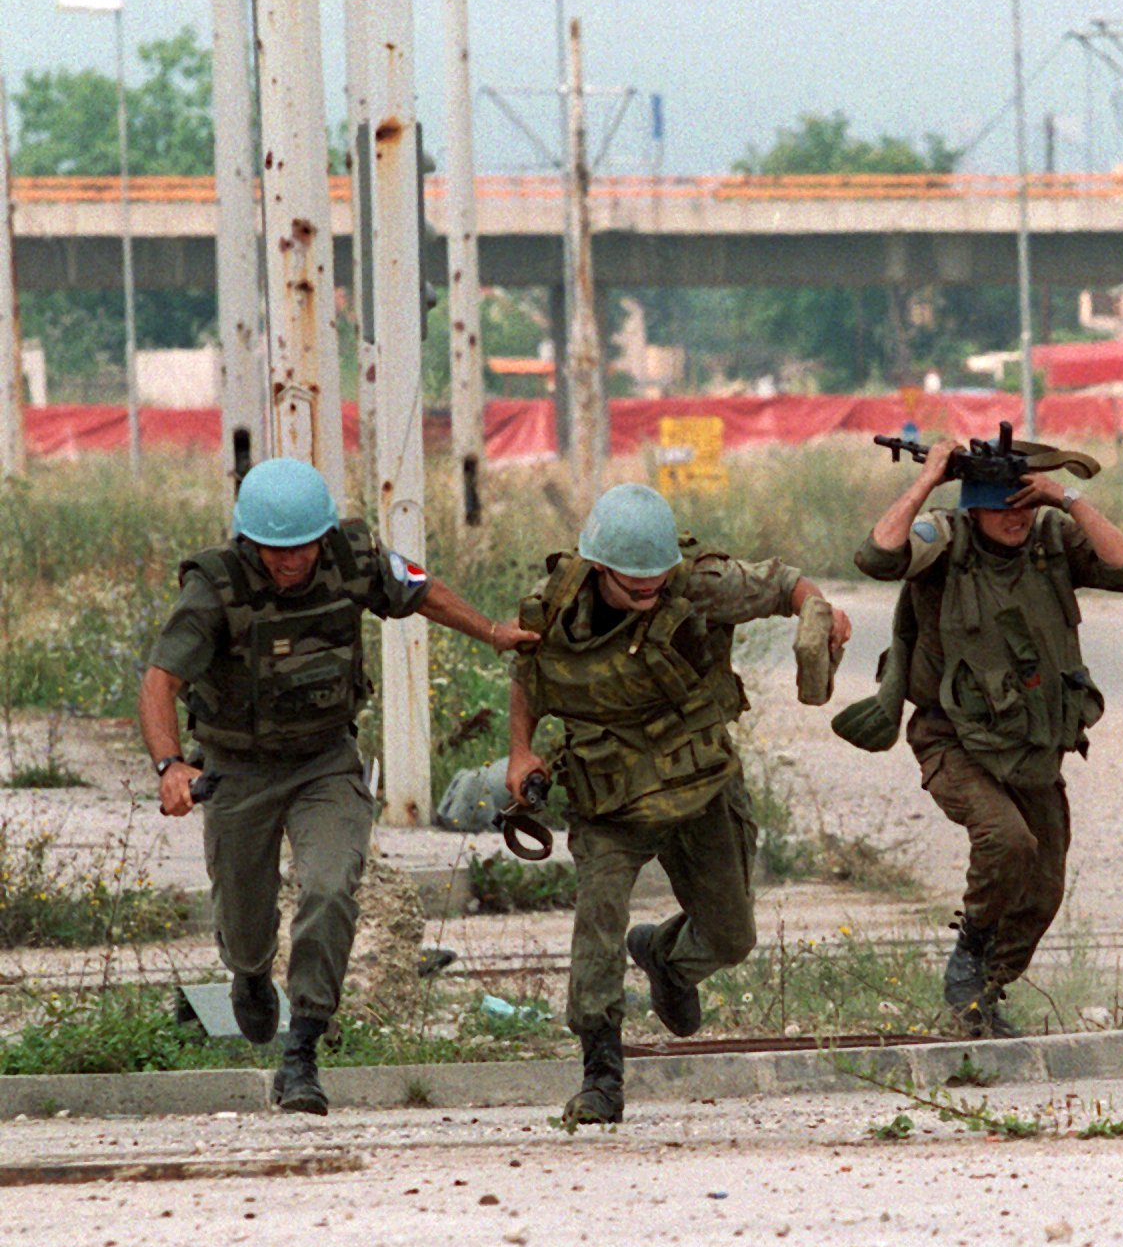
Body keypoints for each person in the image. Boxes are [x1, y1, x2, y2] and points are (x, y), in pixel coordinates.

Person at [140, 457, 534, 1115]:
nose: (290, 562)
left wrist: (492, 632)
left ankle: (303, 1052)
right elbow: (160, 682)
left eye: (301, 548)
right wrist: (170, 764)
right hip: (236, 767)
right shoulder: (214, 588)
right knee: (243, 917)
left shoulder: (351, 556)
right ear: (249, 542)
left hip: (325, 761)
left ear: (321, 537)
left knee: (328, 890)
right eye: (275, 550)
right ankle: (249, 975)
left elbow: (421, 590)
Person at [506, 483, 850, 1126]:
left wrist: (820, 612)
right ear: (599, 568)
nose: (649, 591)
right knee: (598, 925)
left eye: (657, 580)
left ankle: (667, 959)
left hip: (699, 784)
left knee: (731, 936)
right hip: (610, 796)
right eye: (633, 584)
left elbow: (786, 584)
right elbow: (528, 677)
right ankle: (601, 1074)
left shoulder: (699, 584)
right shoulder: (553, 610)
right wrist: (520, 751)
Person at [842, 437, 1123, 1038]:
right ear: (972, 506)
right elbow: (877, 556)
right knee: (1007, 842)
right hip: (951, 737)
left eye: (1024, 505)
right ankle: (970, 955)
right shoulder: (944, 541)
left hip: (1030, 744)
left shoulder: (1051, 540)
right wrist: (927, 479)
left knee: (1044, 886)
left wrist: (1068, 498)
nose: (1015, 517)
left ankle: (981, 995)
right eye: (1000, 505)